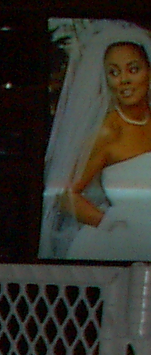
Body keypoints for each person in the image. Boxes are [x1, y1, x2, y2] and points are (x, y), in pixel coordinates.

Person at [41, 20, 151, 260]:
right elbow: (65, 195)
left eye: (133, 69)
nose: (124, 80)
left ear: (149, 72)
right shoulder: (107, 132)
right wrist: (111, 225)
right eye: (114, 72)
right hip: (125, 244)